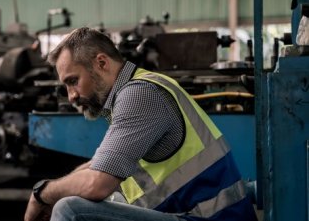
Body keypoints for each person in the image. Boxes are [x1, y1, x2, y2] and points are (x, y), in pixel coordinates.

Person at [24, 27, 257, 221]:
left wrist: (42, 193)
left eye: (73, 81)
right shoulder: (136, 88)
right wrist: (54, 187)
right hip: (192, 214)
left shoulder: (139, 94)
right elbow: (99, 166)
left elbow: (97, 184)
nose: (71, 96)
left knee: (71, 211)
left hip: (208, 218)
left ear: (101, 63)